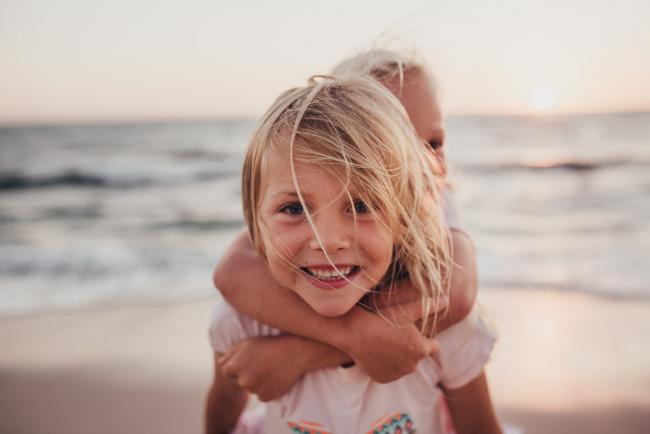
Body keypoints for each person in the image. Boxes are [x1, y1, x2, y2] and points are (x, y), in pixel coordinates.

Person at [205, 74, 501, 433]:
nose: (328, 241)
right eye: (295, 209)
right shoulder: (242, 324)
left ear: (402, 220)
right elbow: (221, 419)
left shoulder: (445, 332)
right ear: (255, 225)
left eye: (361, 206)